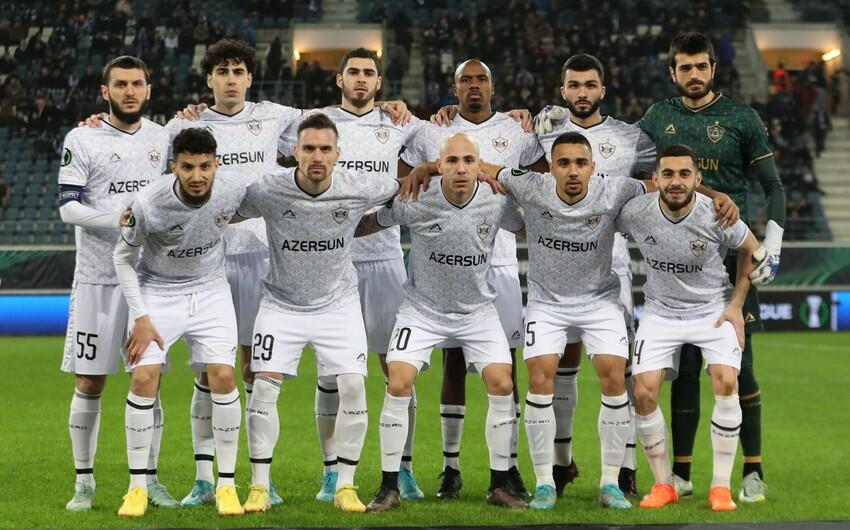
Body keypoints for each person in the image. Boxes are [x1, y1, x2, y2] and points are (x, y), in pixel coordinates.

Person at [637, 32, 784, 502]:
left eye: (701, 66)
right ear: (672, 72)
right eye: (685, 67)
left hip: (732, 254)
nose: (694, 74)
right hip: (678, 253)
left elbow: (774, 186)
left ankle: (752, 471)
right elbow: (626, 158)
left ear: (713, 69)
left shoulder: (742, 118)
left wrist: (773, 245)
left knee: (741, 368)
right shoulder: (658, 116)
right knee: (682, 369)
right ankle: (680, 473)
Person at [278, 48, 428, 502]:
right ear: (339, 79)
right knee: (331, 372)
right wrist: (192, 113)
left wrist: (515, 115)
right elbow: (254, 134)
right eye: (353, 72)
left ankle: (403, 468)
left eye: (369, 73)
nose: (361, 79)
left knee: (396, 368)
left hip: (383, 259)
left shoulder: (399, 123)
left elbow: (453, 135)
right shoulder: (315, 122)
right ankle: (331, 471)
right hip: (330, 261)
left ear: (379, 83)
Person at [474, 131, 652, 510]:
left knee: (614, 376)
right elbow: (482, 167)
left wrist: (714, 197)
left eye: (581, 163)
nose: (573, 171)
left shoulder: (615, 189)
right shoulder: (531, 185)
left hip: (599, 301)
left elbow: (662, 186)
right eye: (564, 163)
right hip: (547, 303)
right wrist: (427, 169)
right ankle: (545, 484)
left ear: (593, 167)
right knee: (540, 378)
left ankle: (610, 483)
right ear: (551, 168)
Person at [236, 113, 404, 514]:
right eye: (309, 148)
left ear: (337, 153)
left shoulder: (358, 186)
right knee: (263, 388)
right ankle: (259, 486)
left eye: (325, 149)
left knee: (353, 386)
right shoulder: (268, 188)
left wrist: (429, 169)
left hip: (338, 305)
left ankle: (345, 486)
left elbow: (403, 185)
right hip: (281, 305)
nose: (317, 156)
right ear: (294, 152)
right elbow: (224, 207)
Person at [399, 59, 548, 499]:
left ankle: (509, 467)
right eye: (466, 80)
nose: (474, 85)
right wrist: (426, 165)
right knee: (453, 363)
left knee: (506, 369)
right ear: (455, 88)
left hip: (499, 260)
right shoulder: (435, 130)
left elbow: (539, 180)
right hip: (448, 264)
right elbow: (406, 173)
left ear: (493, 86)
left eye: (481, 79)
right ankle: (451, 468)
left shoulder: (517, 130)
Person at [361, 132, 527, 512]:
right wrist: (331, 225)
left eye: (469, 160)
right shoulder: (417, 199)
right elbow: (371, 222)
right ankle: (388, 487)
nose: (461, 168)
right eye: (452, 161)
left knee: (503, 383)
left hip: (477, 312)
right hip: (422, 310)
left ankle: (499, 485)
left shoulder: (496, 200)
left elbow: (527, 226)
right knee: (398, 381)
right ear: (439, 166)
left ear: (480, 165)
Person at [615, 144, 767, 512]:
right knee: (643, 393)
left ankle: (720, 488)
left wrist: (736, 304)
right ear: (655, 179)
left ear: (698, 179)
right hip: (660, 312)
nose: (676, 181)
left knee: (727, 382)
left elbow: (751, 247)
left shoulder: (716, 213)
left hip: (712, 310)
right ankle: (664, 485)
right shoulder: (636, 212)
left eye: (684, 174)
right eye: (667, 173)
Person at [532, 53, 657, 498]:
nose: (582, 92)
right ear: (562, 91)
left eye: (589, 85)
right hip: (556, 266)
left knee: (619, 369)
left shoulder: (630, 137)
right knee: (559, 365)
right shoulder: (543, 132)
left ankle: (625, 470)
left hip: (611, 263)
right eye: (574, 85)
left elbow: (662, 177)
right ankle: (561, 464)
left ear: (602, 89)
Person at [58, 55, 175, 512]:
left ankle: (149, 480)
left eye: (137, 84)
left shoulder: (162, 138)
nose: (130, 91)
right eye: (121, 84)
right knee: (89, 382)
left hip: (149, 281)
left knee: (149, 381)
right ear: (105, 91)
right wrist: (120, 218)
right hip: (98, 280)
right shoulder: (82, 137)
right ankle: (83, 482)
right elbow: (68, 208)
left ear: (148, 89)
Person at [112, 128, 247, 517]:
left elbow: (278, 193)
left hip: (210, 290)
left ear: (216, 164)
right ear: (174, 167)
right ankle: (137, 488)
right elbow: (123, 258)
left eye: (205, 166)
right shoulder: (149, 203)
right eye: (187, 167)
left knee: (223, 376)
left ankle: (225, 486)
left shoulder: (233, 189)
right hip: (158, 291)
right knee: (143, 378)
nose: (197, 176)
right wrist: (141, 317)